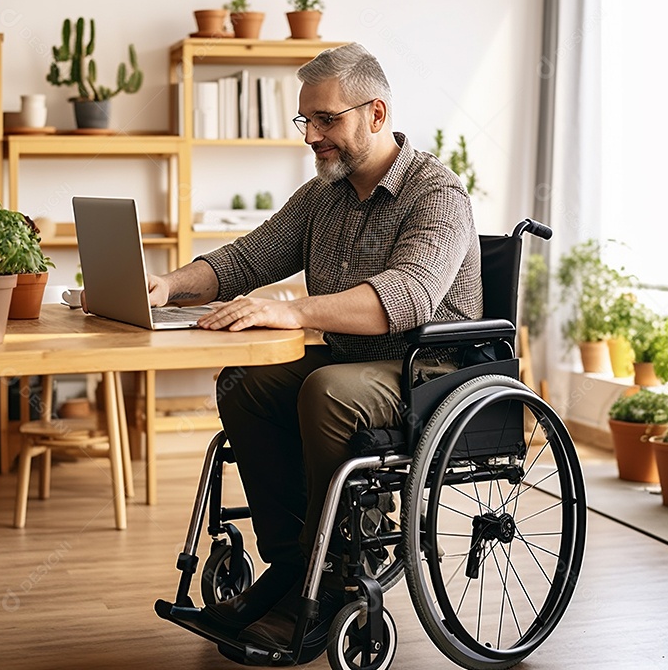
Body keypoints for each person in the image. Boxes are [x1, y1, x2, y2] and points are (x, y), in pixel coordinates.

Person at [146, 43, 482, 647]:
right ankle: (293, 563)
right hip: (353, 359)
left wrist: (290, 309)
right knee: (244, 383)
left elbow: (405, 296)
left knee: (327, 391)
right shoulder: (323, 194)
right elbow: (249, 257)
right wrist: (168, 285)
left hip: (428, 369)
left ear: (375, 114)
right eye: (307, 120)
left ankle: (333, 575)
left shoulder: (436, 194)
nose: (311, 136)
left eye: (326, 120)